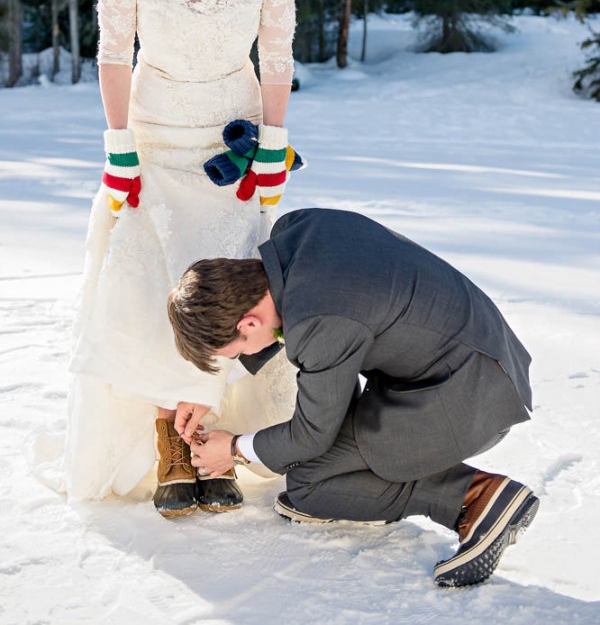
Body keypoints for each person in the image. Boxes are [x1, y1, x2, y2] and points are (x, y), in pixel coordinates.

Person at [65, 0, 299, 517]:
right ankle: (168, 436)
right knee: (151, 288)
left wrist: (274, 147)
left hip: (230, 144)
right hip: (153, 138)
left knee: (227, 290)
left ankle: (211, 436)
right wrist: (118, 147)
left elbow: (278, 58)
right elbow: (112, 53)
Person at [168, 207, 540, 588]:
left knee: (310, 485)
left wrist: (232, 448)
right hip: (477, 357)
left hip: (468, 401)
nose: (238, 358)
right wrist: (210, 391)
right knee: (314, 462)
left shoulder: (320, 321)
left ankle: (477, 497)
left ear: (248, 323)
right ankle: (358, 488)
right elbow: (318, 326)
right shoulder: (298, 230)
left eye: (235, 352)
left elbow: (312, 434)